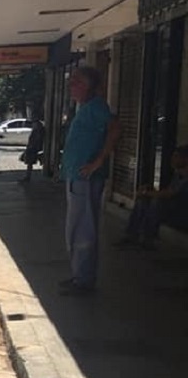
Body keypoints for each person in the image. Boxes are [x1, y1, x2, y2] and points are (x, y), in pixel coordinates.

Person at [59, 66, 120, 296]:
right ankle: (79, 275)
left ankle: (83, 280)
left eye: (77, 82)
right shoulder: (86, 108)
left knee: (82, 230)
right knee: (76, 229)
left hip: (85, 178)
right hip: (78, 177)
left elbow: (115, 129)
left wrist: (98, 161)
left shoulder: (96, 107)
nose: (71, 86)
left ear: (89, 86)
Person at [114, 146, 188, 251]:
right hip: (172, 207)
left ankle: (148, 238)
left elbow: (170, 194)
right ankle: (132, 235)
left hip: (182, 212)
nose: (173, 159)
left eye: (177, 156)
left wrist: (147, 193)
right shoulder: (178, 174)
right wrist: (148, 192)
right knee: (143, 201)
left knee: (156, 203)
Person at [19, 112, 46, 183]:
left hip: (33, 148)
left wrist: (31, 146)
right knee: (29, 162)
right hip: (33, 147)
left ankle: (28, 177)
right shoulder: (37, 129)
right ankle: (27, 176)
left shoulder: (38, 130)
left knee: (29, 162)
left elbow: (37, 139)